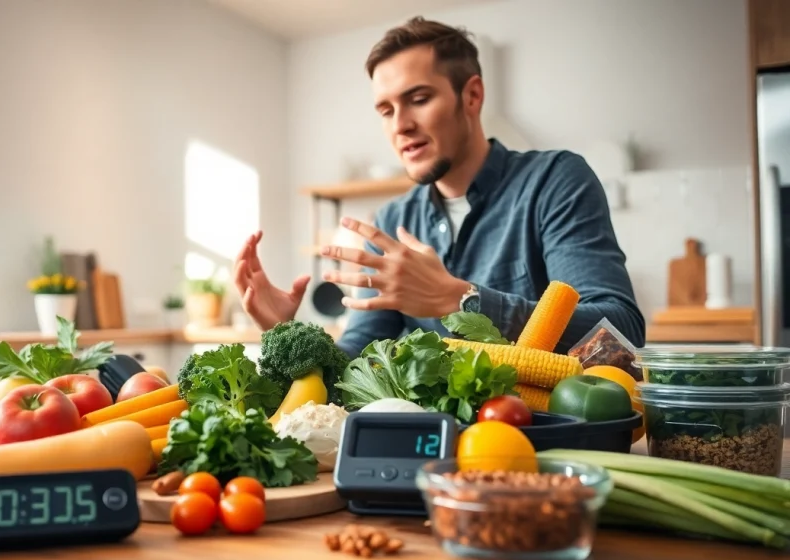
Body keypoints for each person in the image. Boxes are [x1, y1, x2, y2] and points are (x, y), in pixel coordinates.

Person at [234, 16, 645, 359]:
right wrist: (284, 335)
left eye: (418, 98)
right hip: (431, 444)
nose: (400, 125)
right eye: (386, 109)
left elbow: (619, 328)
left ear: (472, 96)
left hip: (538, 439)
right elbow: (360, 353)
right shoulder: (393, 221)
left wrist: (464, 301)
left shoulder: (555, 181)